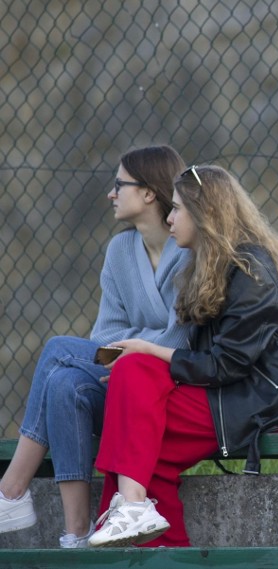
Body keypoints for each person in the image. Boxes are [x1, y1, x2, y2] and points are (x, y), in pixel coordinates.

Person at [86, 164, 278, 548]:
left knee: (139, 382)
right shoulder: (209, 264)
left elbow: (226, 364)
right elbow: (206, 359)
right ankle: (138, 515)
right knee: (140, 450)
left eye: (176, 209)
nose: (169, 218)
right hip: (240, 391)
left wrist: (148, 352)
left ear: (204, 214)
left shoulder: (254, 269)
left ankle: (132, 513)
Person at [0, 145, 190, 548]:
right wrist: (134, 346)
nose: (111, 193)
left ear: (149, 194)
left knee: (57, 350)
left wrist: (137, 343)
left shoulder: (190, 250)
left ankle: (11, 490)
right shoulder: (120, 251)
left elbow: (181, 339)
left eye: (119, 185)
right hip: (124, 378)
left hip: (171, 385)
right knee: (64, 383)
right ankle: (76, 533)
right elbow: (104, 333)